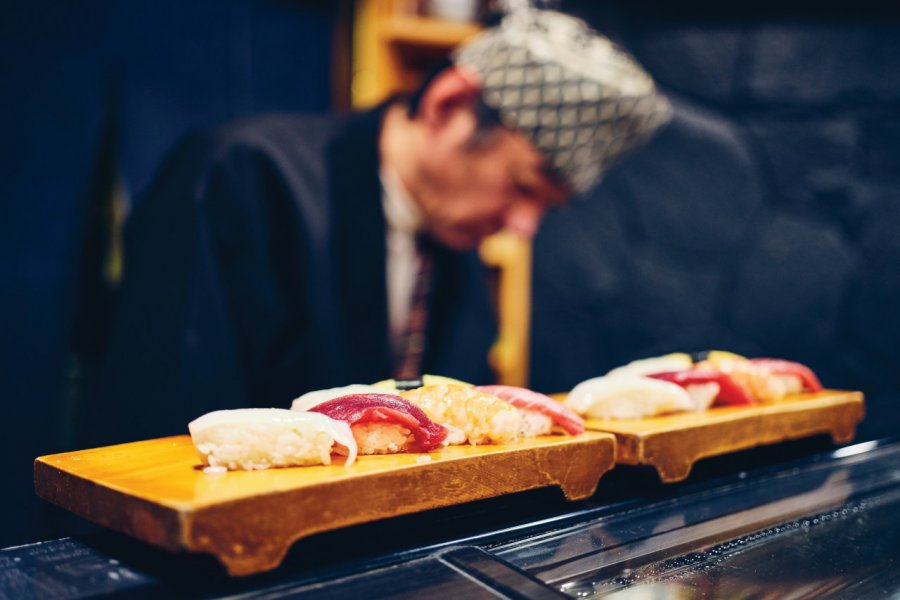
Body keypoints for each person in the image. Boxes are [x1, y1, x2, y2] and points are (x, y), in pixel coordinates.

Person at [89, 7, 670, 445]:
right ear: (448, 104)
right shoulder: (243, 176)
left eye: (547, 207)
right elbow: (157, 424)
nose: (521, 227)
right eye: (522, 187)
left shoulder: (451, 230)